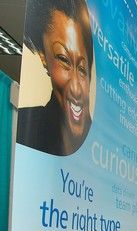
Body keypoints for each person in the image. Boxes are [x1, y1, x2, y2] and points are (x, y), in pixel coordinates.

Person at [17, 0, 94, 156]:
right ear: (44, 58)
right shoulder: (22, 130)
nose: (76, 88)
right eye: (64, 60)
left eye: (81, 68)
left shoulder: (102, 145)